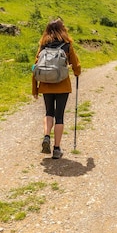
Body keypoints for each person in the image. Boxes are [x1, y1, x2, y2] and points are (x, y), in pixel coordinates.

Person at [32, 19, 81, 159]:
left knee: (49, 112)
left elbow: (36, 65)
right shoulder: (67, 45)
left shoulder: (43, 45)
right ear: (62, 29)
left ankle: (47, 135)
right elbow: (76, 64)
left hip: (46, 84)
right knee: (59, 116)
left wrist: (35, 87)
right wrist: (77, 73)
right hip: (62, 85)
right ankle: (57, 149)